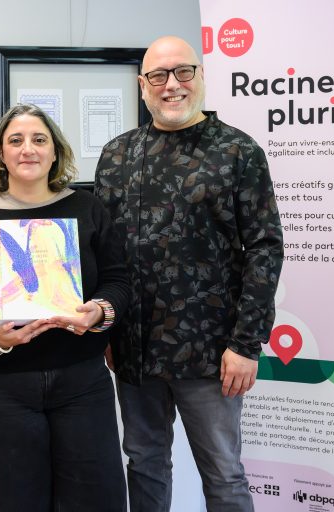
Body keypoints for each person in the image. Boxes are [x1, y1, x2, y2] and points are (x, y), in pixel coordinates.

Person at [94, 36, 284, 512]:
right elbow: (104, 251)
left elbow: (264, 247)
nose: (171, 85)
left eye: (183, 72)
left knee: (222, 472)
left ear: (200, 77)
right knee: (144, 462)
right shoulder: (117, 155)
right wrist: (106, 330)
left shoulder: (238, 151)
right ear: (142, 86)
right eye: (158, 76)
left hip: (213, 353)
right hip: (134, 350)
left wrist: (246, 344)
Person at [0, 104, 129, 512]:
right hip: (0, 388)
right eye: (15, 141)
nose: (28, 149)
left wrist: (101, 310)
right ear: (1, 154)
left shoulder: (86, 209)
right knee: (19, 501)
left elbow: (120, 278)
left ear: (55, 152)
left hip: (81, 383)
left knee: (97, 498)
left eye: (39, 140)